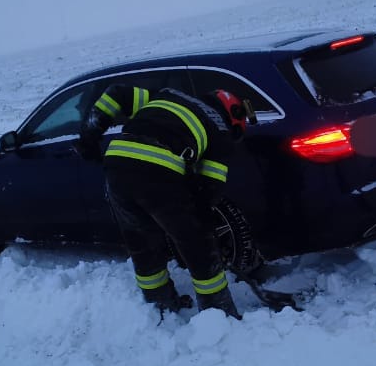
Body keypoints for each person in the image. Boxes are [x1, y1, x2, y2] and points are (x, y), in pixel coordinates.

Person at [76, 83, 250, 318]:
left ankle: (161, 306)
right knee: (198, 247)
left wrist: (90, 134)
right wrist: (201, 217)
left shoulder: (166, 94)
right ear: (233, 116)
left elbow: (117, 92)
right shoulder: (220, 130)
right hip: (158, 174)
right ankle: (219, 313)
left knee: (142, 243)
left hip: (117, 166)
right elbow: (210, 186)